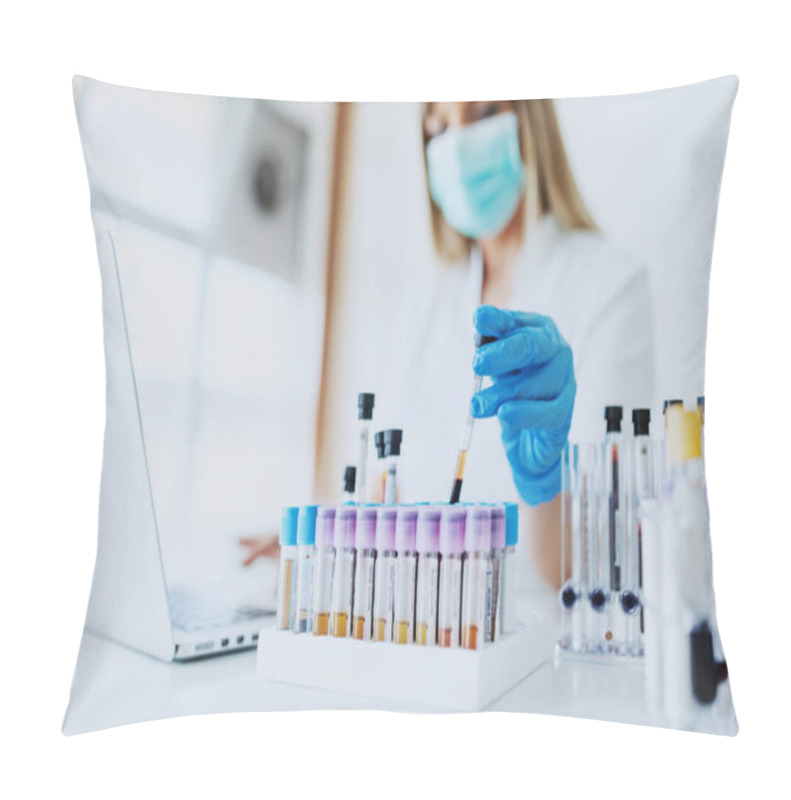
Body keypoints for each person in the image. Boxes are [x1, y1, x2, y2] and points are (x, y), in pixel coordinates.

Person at [243, 99, 654, 590]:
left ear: (532, 120)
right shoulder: (427, 301)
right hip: (410, 623)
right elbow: (388, 489)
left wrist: (543, 486)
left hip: (532, 641)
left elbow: (593, 568)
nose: (457, 146)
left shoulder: (610, 284)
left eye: (481, 114)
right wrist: (314, 539)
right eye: (438, 127)